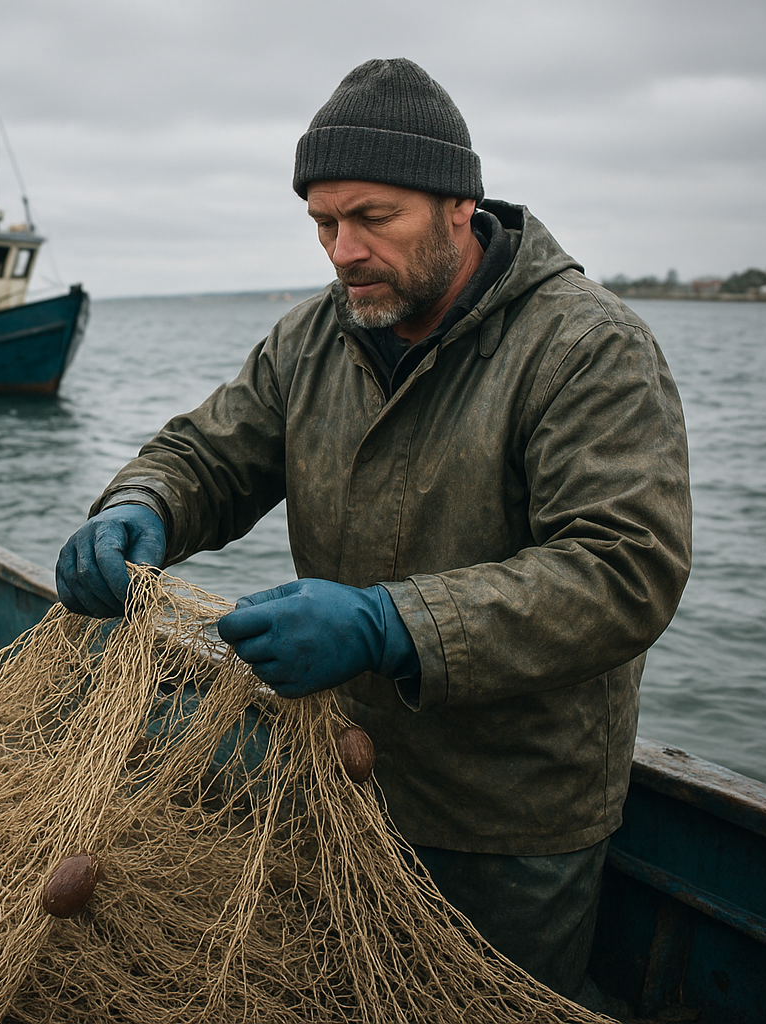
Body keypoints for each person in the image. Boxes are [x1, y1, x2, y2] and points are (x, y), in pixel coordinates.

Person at [56, 58, 692, 1011]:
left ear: (458, 205)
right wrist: (137, 505)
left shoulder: (587, 348)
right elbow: (209, 453)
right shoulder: (314, 338)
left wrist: (389, 624)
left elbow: (622, 570)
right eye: (322, 223)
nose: (342, 249)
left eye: (371, 217)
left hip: (511, 824)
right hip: (341, 781)